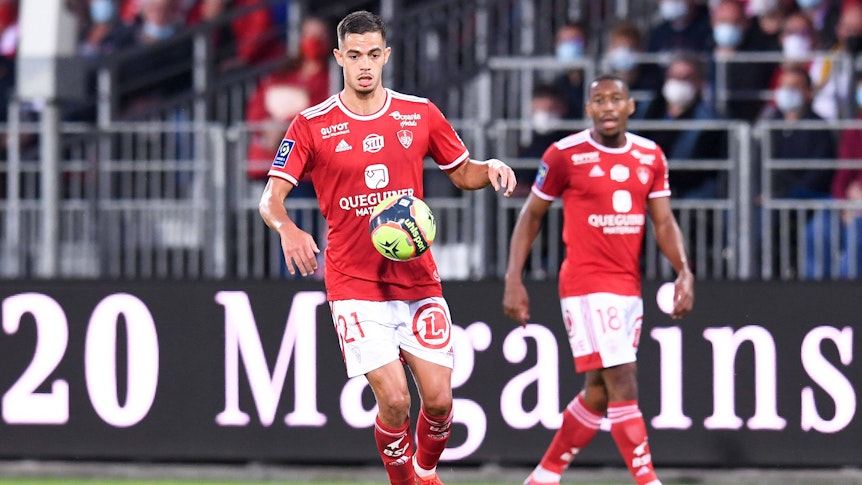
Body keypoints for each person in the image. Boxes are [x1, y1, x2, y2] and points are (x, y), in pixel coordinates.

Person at [258, 10, 516, 485]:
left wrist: (490, 166)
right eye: (354, 56)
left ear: (386, 56)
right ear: (339, 58)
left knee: (439, 403)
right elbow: (270, 199)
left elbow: (462, 171)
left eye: (373, 55)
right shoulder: (311, 124)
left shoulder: (418, 114)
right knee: (395, 400)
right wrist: (288, 229)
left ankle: (424, 472)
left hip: (417, 280)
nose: (364, 65)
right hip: (354, 284)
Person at [503, 74, 694, 485]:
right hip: (586, 285)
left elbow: (663, 222)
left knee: (600, 391)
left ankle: (544, 476)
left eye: (616, 99)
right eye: (599, 101)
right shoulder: (564, 154)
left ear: (630, 106)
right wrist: (513, 278)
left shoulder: (650, 155)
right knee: (624, 381)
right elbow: (531, 214)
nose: (608, 107)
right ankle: (648, 481)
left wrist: (684, 271)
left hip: (629, 286)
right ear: (588, 109)